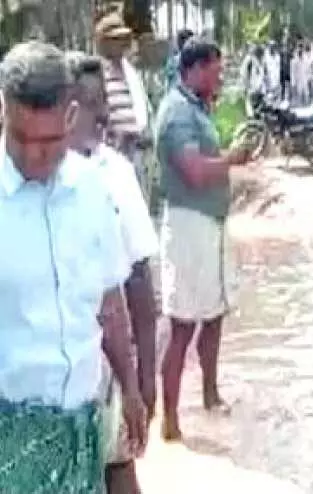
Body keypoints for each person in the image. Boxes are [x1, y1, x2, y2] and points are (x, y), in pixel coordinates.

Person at [0, 40, 146, 492]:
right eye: (21, 139)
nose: (35, 156)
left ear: (71, 117)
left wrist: (131, 389)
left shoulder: (92, 190)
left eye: (50, 141)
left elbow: (109, 302)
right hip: (10, 440)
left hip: (83, 427)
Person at [67, 51, 159, 494]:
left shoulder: (115, 173)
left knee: (120, 472)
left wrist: (142, 378)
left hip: (105, 372)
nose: (103, 112)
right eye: (89, 101)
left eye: (103, 98)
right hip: (38, 394)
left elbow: (138, 283)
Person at [154, 37, 251, 441]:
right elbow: (193, 171)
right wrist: (231, 159)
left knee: (213, 313)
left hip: (209, 223)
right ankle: (170, 418)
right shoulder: (177, 112)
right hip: (189, 226)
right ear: (193, 69)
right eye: (214, 70)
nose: (220, 77)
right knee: (182, 324)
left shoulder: (196, 106)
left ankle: (210, 395)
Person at [95, 10, 153, 202]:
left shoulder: (130, 73)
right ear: (103, 43)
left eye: (122, 39)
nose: (121, 44)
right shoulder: (98, 75)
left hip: (136, 152)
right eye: (115, 39)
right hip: (112, 153)